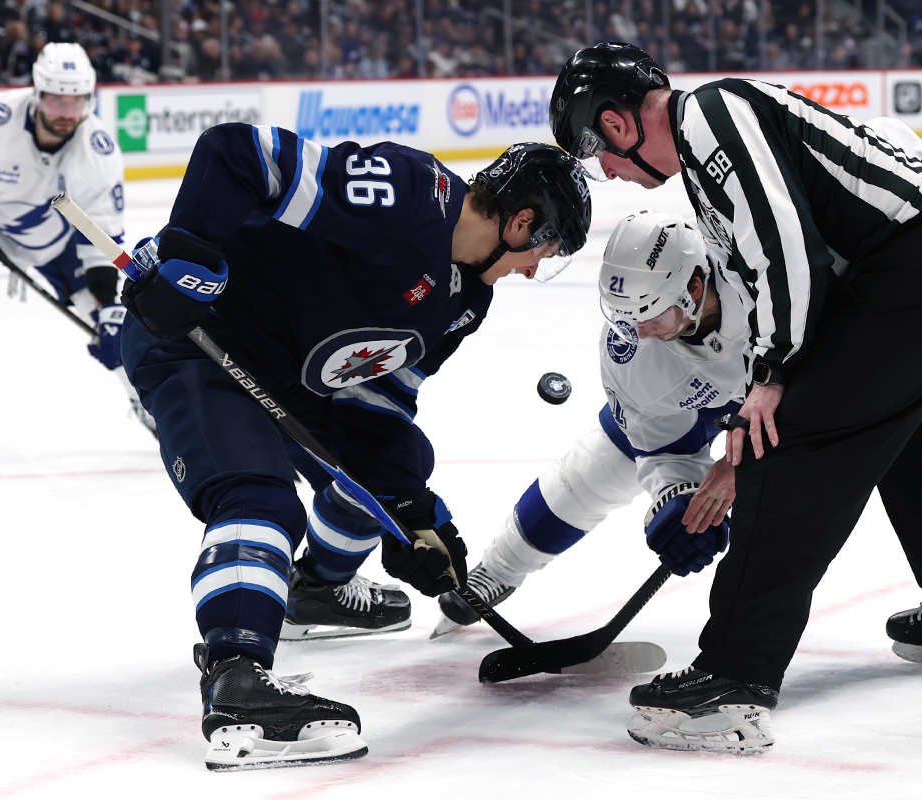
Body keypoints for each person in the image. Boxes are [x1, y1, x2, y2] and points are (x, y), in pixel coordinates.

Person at [550, 42, 922, 753]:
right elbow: (777, 274)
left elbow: (785, 250)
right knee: (914, 442)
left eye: (599, 154)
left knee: (788, 455)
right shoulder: (712, 150)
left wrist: (771, 380)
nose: (610, 172)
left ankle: (733, 681)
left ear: (617, 125)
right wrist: (760, 393)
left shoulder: (710, 115)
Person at [435, 206, 922, 683]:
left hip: (810, 387)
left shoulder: (765, 265)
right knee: (597, 464)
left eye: (650, 315)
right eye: (625, 318)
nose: (637, 332)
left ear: (695, 283)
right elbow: (658, 445)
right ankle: (495, 573)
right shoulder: (637, 347)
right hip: (705, 403)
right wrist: (675, 499)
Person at [119, 131, 590, 770]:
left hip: (283, 368)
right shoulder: (408, 196)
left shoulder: (467, 300)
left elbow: (378, 405)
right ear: (521, 222)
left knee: (395, 475)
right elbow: (238, 154)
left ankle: (315, 590)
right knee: (258, 497)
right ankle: (237, 682)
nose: (534, 269)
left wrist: (414, 518)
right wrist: (188, 254)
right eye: (544, 253)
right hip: (196, 337)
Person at [0, 43, 152, 433]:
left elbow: (99, 238)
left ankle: (146, 405)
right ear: (37, 94)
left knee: (115, 335)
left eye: (76, 101)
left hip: (59, 244)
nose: (66, 112)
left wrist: (108, 308)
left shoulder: (98, 153)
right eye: (56, 100)